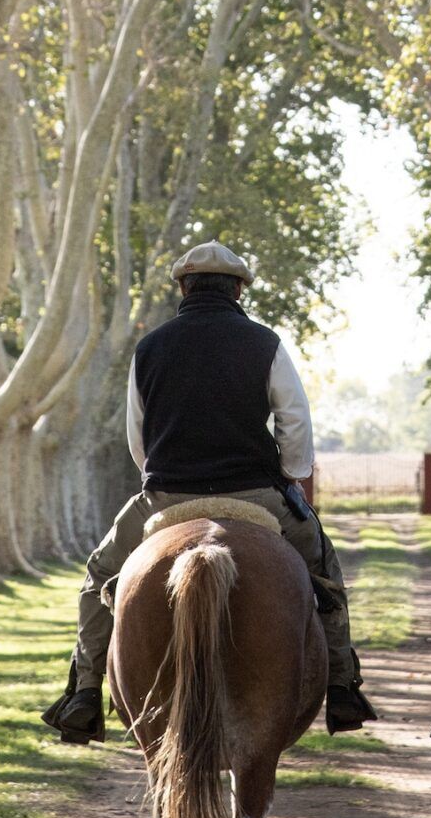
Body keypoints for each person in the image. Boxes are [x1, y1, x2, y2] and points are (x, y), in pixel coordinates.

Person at [41, 239, 377, 743]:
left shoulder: (149, 346)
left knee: (100, 574)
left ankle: (85, 692)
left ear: (183, 287)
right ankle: (342, 683)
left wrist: (163, 474)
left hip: (166, 497)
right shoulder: (266, 343)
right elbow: (294, 419)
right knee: (323, 569)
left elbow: (138, 435)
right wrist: (290, 475)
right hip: (258, 495)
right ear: (239, 289)